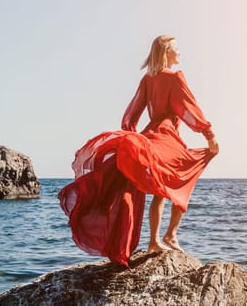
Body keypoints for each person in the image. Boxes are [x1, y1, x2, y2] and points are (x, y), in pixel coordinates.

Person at [58, 35, 219, 266]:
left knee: (161, 187)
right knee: (184, 174)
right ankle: (170, 234)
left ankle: (156, 239)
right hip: (166, 136)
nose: (180, 53)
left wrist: (133, 140)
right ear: (166, 52)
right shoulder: (175, 78)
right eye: (176, 49)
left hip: (149, 136)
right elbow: (189, 109)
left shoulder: (148, 79)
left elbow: (130, 116)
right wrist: (209, 135)